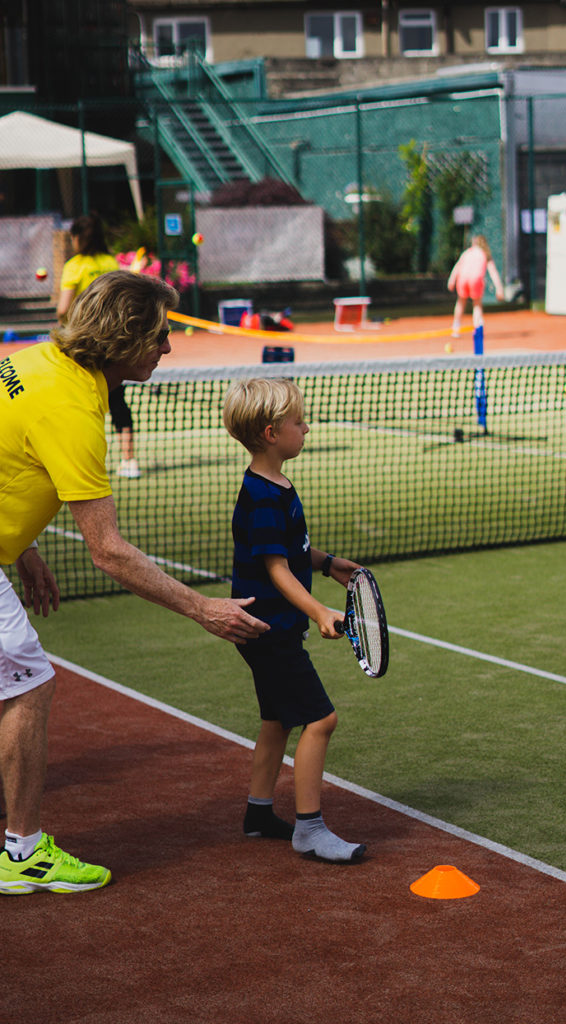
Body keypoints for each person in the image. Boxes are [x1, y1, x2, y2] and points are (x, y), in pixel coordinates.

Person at [0, 270, 268, 895]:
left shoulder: (35, 361)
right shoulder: (71, 407)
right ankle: (23, 853)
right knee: (28, 684)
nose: (168, 349)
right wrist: (205, 608)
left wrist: (23, 548)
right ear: (124, 340)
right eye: (160, 336)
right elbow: (109, 552)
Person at [222, 377, 366, 864]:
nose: (306, 427)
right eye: (298, 422)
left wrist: (328, 564)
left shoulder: (277, 485)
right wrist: (318, 609)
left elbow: (292, 550)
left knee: (277, 720)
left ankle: (259, 814)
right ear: (270, 433)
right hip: (268, 630)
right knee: (321, 719)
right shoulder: (261, 496)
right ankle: (311, 828)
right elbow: (276, 569)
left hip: (268, 627)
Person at [57, 212, 140, 479]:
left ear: (79, 238)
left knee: (77, 403)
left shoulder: (74, 266)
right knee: (118, 402)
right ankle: (129, 461)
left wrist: (69, 325)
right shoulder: (110, 262)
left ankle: (79, 461)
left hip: (83, 347)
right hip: (114, 344)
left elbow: (62, 309)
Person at [447, 234, 505, 338]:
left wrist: (451, 280)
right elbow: (493, 272)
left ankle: (455, 328)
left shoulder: (467, 252)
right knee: (477, 304)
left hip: (462, 278)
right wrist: (499, 289)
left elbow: (457, 266)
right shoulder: (485, 254)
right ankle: (477, 329)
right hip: (476, 279)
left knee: (460, 302)